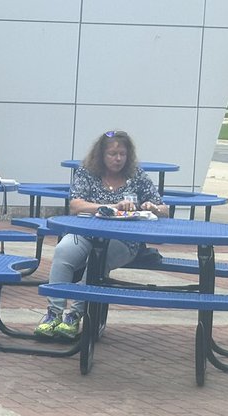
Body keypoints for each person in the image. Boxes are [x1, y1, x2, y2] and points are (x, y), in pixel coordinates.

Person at [35, 130, 169, 340]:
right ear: (101, 155)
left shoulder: (137, 175)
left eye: (122, 154)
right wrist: (110, 206)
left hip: (124, 240)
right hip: (86, 231)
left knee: (98, 261)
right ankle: (54, 312)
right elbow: (76, 204)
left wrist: (153, 207)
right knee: (63, 251)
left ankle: (75, 314)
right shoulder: (86, 172)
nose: (117, 159)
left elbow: (164, 209)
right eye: (112, 154)